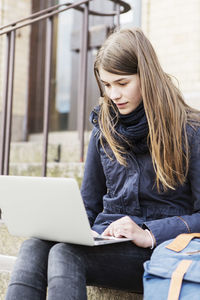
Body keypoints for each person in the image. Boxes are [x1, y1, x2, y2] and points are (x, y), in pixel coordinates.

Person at [6, 27, 200, 300]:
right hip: (106, 240)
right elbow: (89, 205)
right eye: (106, 85)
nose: (114, 95)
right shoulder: (104, 128)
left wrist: (148, 232)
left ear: (148, 76)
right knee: (34, 245)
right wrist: (62, 225)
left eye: (122, 83)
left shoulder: (190, 131)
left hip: (158, 251)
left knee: (64, 252)